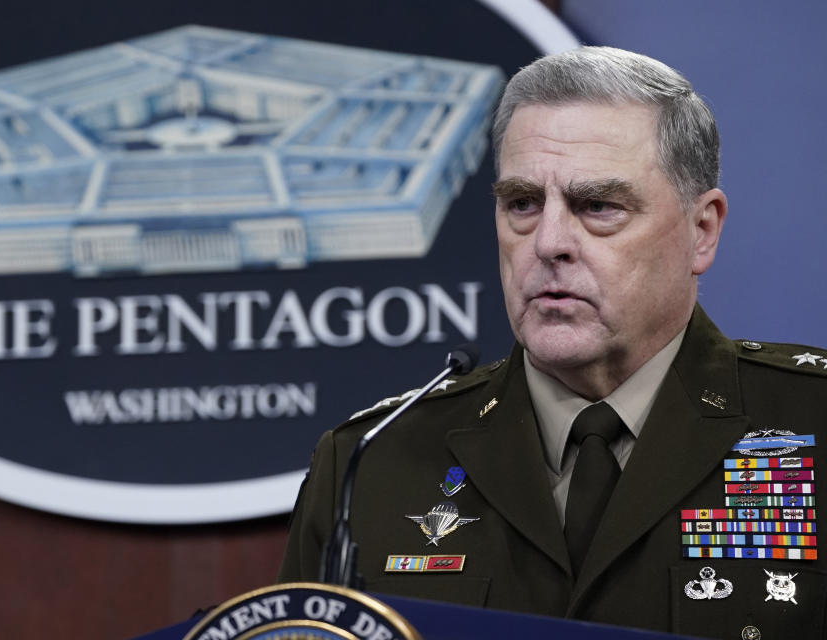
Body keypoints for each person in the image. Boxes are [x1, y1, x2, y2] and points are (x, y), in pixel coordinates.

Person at [278, 46, 827, 639]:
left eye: (598, 206)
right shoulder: (370, 463)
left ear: (702, 231)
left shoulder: (810, 416)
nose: (549, 242)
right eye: (522, 204)